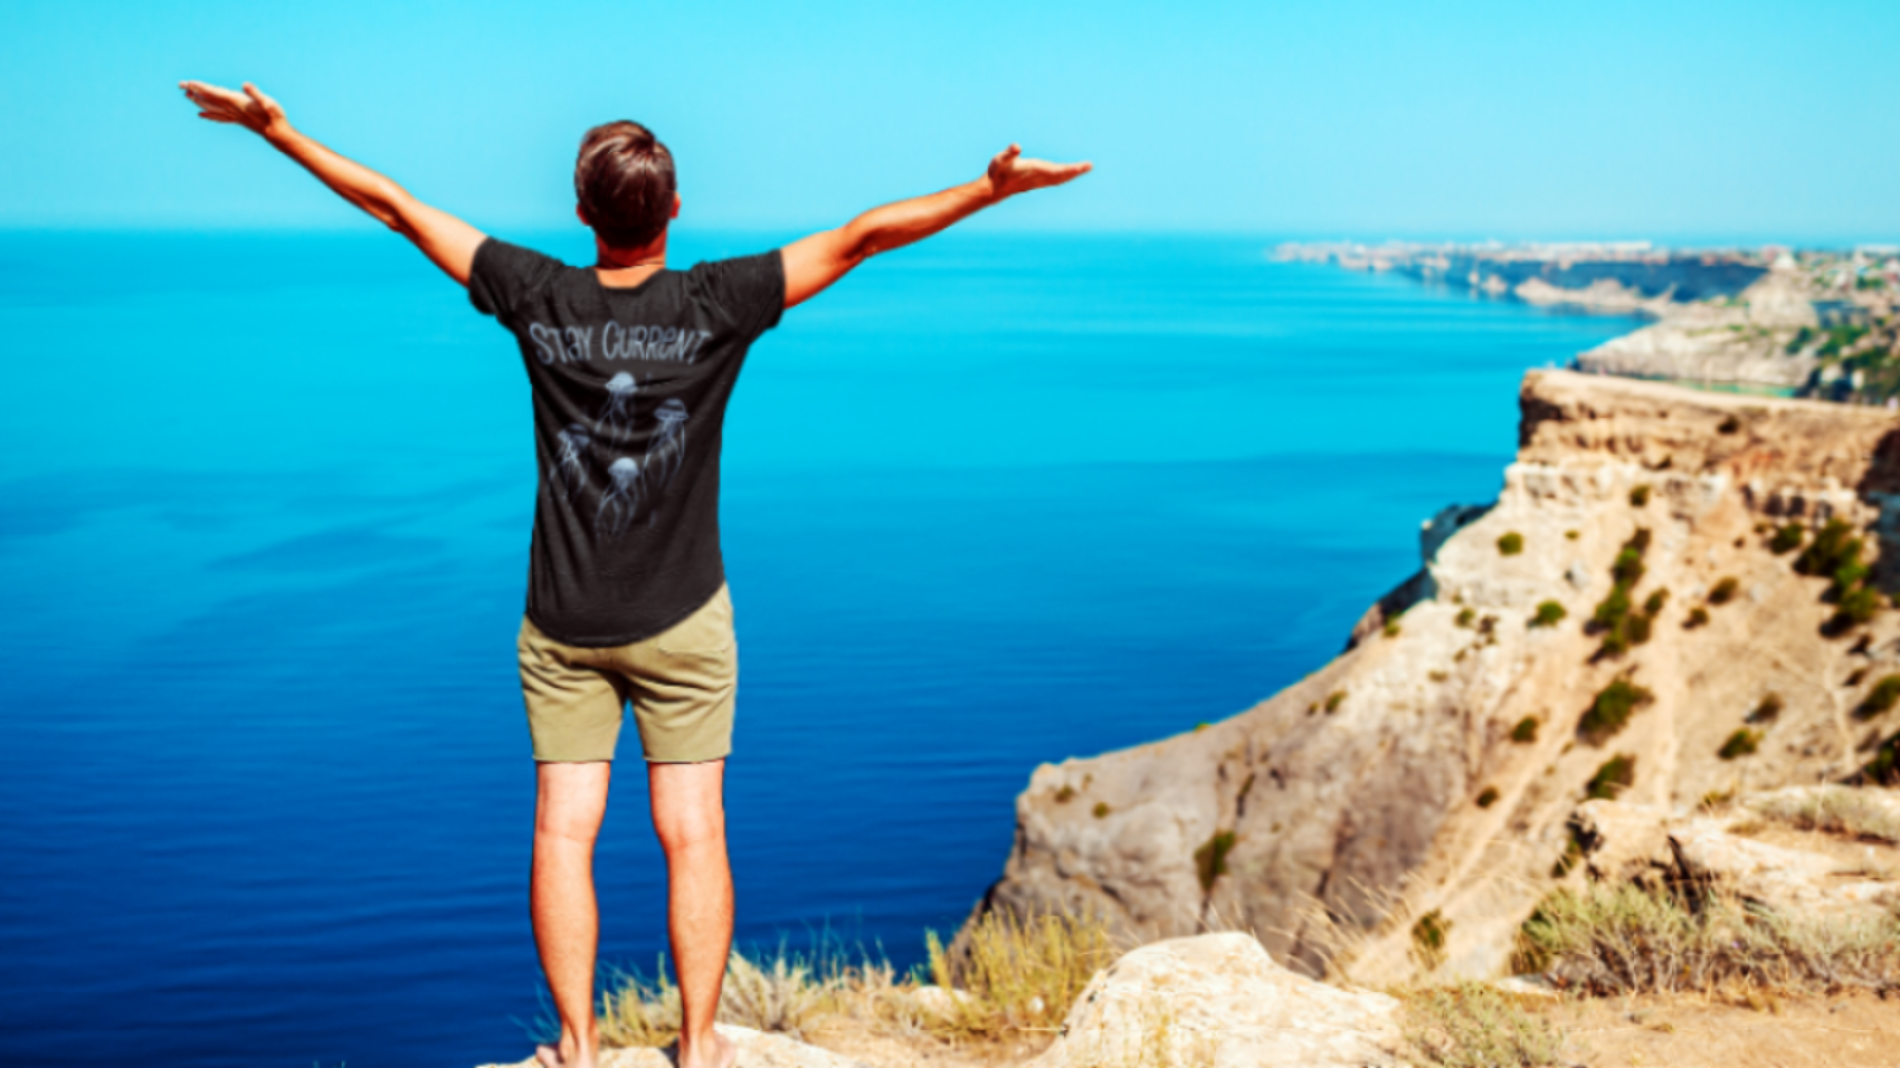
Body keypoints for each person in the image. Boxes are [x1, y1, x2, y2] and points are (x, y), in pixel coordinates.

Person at [178, 80, 1090, 1068]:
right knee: (692, 833)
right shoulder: (718, 303)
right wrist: (989, 189)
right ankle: (697, 1045)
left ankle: (577, 1046)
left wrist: (279, 133)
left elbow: (396, 208)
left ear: (582, 213)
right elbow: (864, 236)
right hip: (684, 618)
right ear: (675, 210)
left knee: (563, 835)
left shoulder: (538, 294)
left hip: (562, 623)